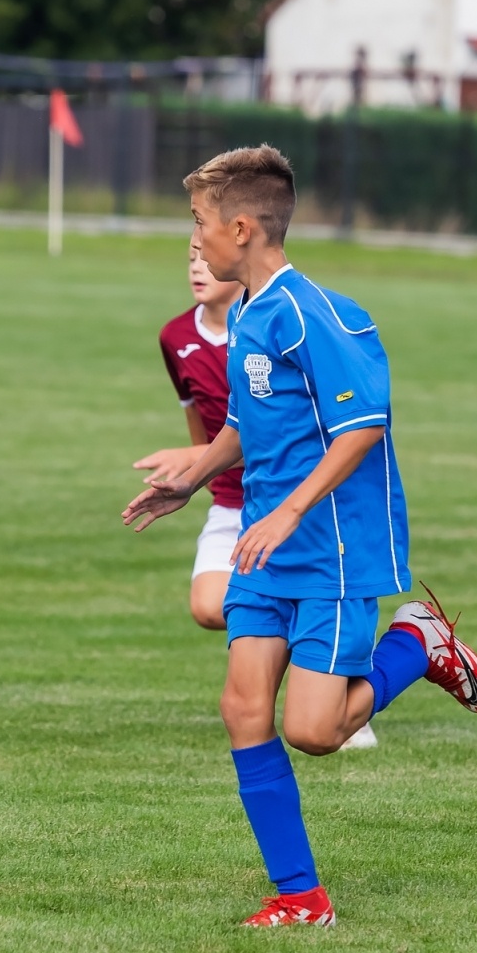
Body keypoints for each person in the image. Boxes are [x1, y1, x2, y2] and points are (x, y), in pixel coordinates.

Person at [123, 145, 477, 928]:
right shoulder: (250, 315)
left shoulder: (312, 312)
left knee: (314, 730)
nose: (196, 241)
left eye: (200, 225)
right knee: (243, 707)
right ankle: (302, 896)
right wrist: (193, 475)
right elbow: (246, 424)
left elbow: (362, 424)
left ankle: (417, 646)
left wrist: (289, 510)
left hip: (332, 550)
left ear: (244, 228)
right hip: (265, 546)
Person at [134, 242, 378, 749]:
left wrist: (201, 463)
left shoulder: (292, 318)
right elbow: (222, 429)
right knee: (213, 624)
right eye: (189, 256)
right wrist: (193, 470)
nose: (196, 267)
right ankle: (320, 668)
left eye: (205, 249)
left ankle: (338, 672)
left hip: (303, 512)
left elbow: (341, 428)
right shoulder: (176, 336)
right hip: (236, 502)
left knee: (310, 731)